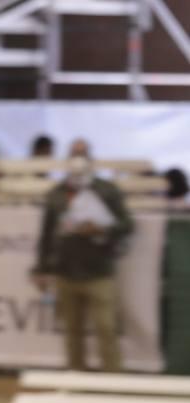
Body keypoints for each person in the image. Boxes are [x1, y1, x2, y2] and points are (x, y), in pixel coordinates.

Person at [32, 155, 133, 372]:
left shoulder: (107, 191)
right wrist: (41, 268)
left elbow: (127, 224)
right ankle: (76, 376)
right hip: (66, 271)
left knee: (106, 328)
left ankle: (114, 379)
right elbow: (46, 235)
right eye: (74, 174)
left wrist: (102, 229)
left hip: (99, 271)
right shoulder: (56, 195)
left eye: (81, 173)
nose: (77, 178)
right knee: (72, 331)